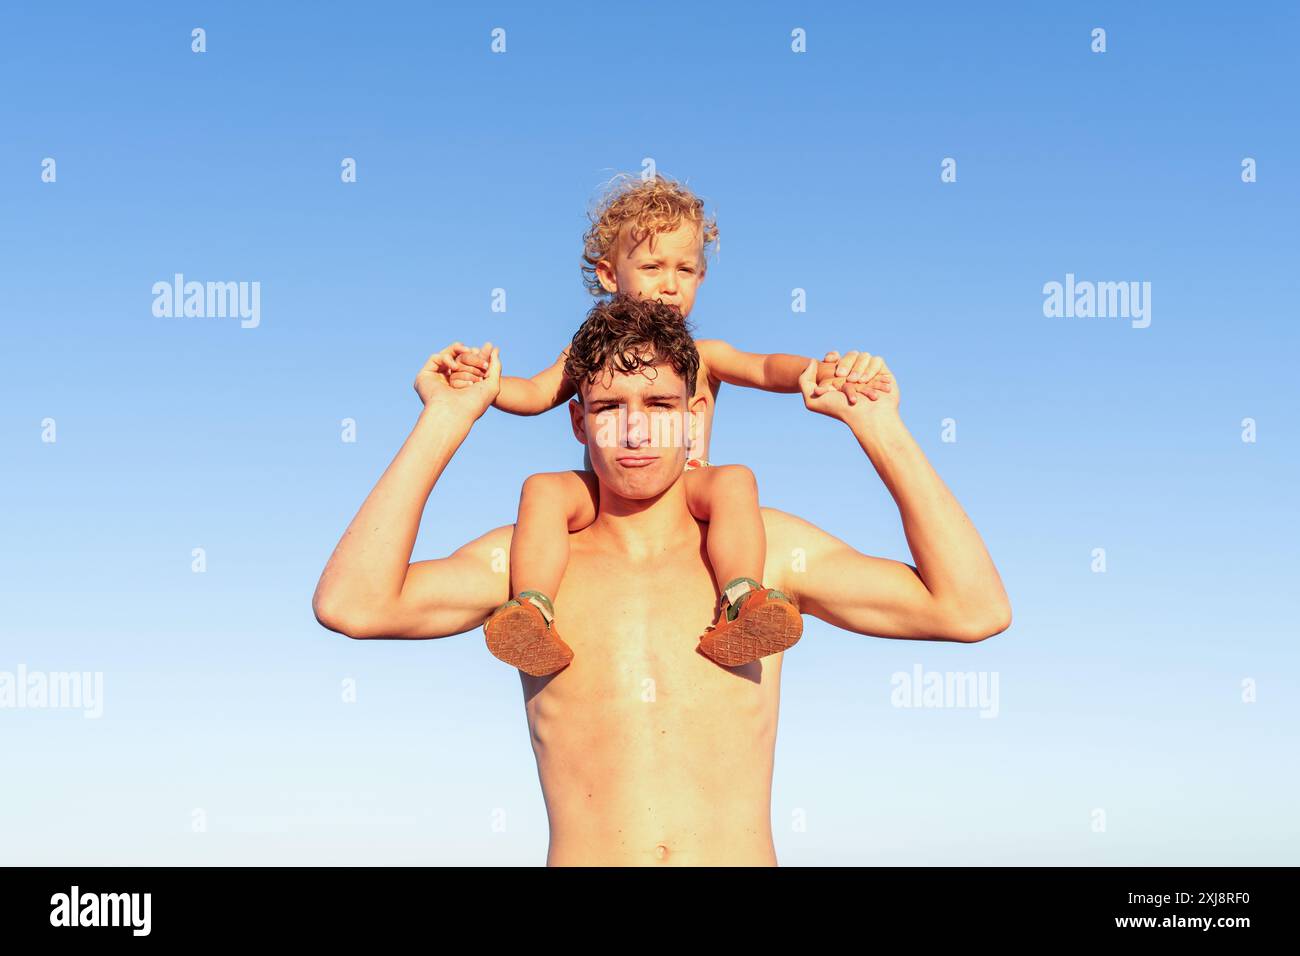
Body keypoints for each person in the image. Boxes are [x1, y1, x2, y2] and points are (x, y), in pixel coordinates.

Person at [311, 305, 1011, 867]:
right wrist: (444, 418)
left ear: (693, 417)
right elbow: (352, 604)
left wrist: (880, 429)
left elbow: (972, 609)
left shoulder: (766, 553)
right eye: (610, 408)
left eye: (659, 402)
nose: (636, 429)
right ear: (579, 421)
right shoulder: (530, 562)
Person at [444, 173, 891, 675]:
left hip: (688, 484)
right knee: (543, 491)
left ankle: (743, 599)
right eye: (653, 266)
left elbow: (765, 367)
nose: (670, 284)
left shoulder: (704, 354)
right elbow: (535, 394)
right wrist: (486, 386)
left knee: (735, 482)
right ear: (610, 275)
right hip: (607, 489)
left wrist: (816, 371)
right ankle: (532, 610)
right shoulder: (587, 353)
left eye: (686, 269)